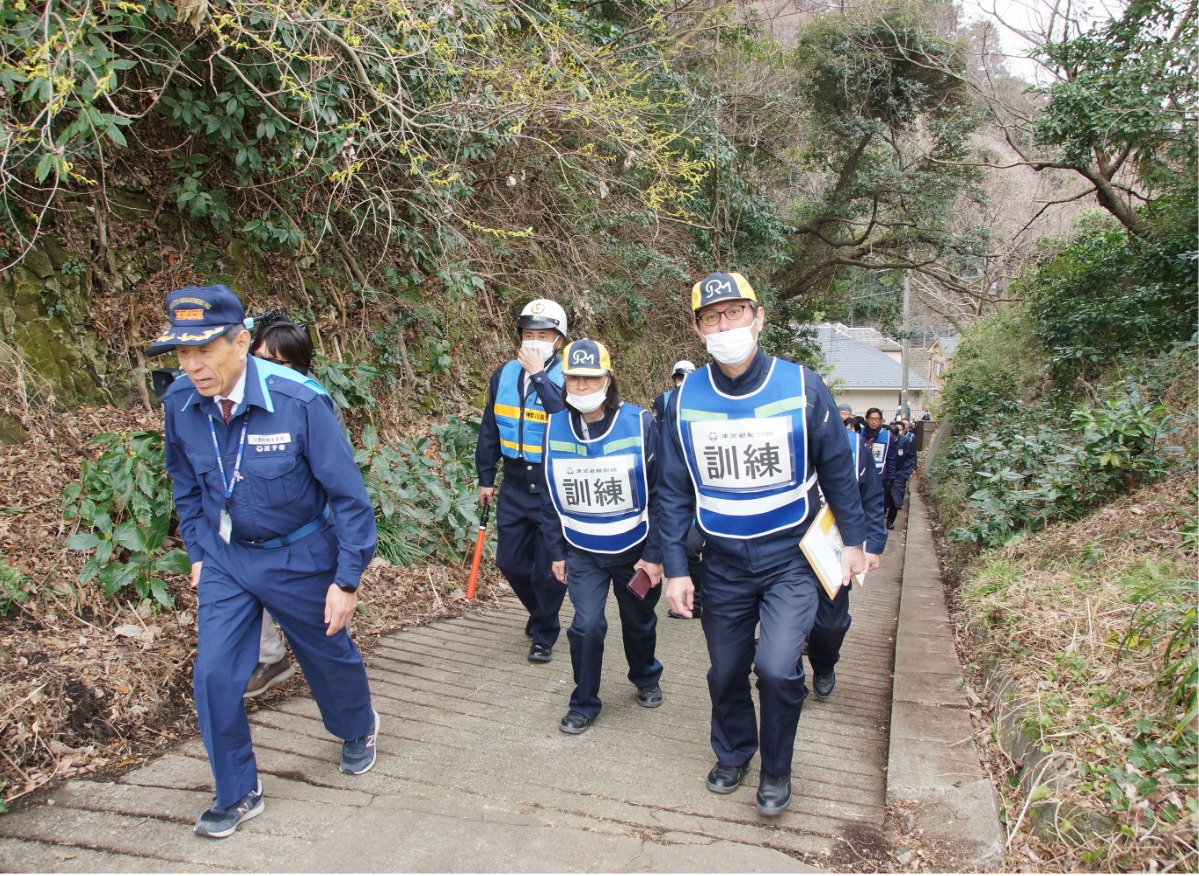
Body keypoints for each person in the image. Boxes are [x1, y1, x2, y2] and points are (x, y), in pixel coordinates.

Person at [148, 285, 378, 839]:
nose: (192, 365)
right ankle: (237, 792)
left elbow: (349, 498)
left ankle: (356, 727)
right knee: (214, 675)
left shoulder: (299, 400)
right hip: (226, 558)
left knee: (327, 650)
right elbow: (185, 485)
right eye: (182, 353)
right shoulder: (181, 403)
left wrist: (346, 581)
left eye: (204, 350)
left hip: (299, 553)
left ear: (242, 342)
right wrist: (199, 552)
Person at [659, 271, 867, 818]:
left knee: (777, 668)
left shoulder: (800, 385)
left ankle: (776, 769)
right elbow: (673, 493)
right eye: (712, 317)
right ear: (699, 328)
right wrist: (676, 569)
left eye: (734, 313)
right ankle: (734, 752)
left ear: (758, 317)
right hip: (721, 564)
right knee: (725, 671)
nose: (724, 325)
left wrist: (856, 541)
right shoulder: (683, 401)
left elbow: (838, 470)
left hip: (789, 560)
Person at [541, 339, 665, 734]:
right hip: (582, 551)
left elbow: (664, 493)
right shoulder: (554, 426)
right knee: (587, 626)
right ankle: (584, 702)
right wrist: (556, 550)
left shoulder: (640, 422)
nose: (581, 386)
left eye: (590, 378)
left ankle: (645, 676)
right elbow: (549, 495)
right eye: (573, 379)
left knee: (639, 622)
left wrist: (656, 553)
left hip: (635, 551)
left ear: (608, 379)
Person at [241, 319, 347, 698]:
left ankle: (343, 697)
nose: (265, 366)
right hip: (256, 532)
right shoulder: (241, 399)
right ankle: (269, 658)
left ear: (299, 364)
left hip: (309, 529)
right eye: (259, 358)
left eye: (279, 362)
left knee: (320, 625)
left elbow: (339, 479)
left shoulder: (311, 401)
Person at [476, 299, 568, 662]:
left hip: (551, 487)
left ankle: (545, 634)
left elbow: (563, 418)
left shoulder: (568, 377)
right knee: (510, 563)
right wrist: (486, 476)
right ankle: (541, 612)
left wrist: (539, 375)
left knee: (549, 570)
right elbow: (489, 428)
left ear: (557, 341)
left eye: (542, 335)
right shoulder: (503, 374)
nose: (534, 342)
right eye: (528, 335)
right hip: (514, 484)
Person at [804, 412, 888, 699]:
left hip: (834, 549)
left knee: (830, 624)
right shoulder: (770, 439)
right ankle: (788, 683)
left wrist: (873, 545)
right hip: (785, 552)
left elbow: (871, 498)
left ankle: (824, 663)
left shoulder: (852, 447)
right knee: (782, 623)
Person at [882, 419, 918, 531]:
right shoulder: (883, 440)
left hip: (899, 474)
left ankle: (890, 521)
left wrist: (906, 472)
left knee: (895, 499)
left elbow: (910, 457)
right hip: (885, 473)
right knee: (883, 498)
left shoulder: (905, 441)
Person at [651, 359, 696, 424]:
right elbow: (656, 428)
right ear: (673, 380)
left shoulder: (701, 400)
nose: (683, 382)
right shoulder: (662, 400)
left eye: (687, 379)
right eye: (680, 379)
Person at [861, 407, 896, 480]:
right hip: (861, 476)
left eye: (876, 419)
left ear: (880, 420)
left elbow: (891, 458)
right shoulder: (858, 433)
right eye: (871, 419)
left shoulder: (887, 435)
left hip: (879, 476)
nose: (874, 422)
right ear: (866, 419)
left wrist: (890, 478)